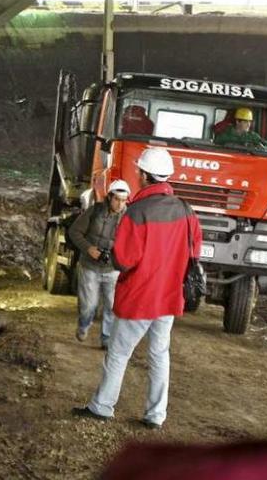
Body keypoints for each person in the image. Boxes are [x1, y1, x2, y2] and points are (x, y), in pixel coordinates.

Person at [73, 146, 202, 430]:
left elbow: (124, 259)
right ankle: (156, 414)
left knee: (118, 353)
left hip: (140, 297)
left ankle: (102, 407)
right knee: (159, 355)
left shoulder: (138, 212)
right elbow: (195, 251)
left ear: (144, 175)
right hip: (169, 297)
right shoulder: (185, 209)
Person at [68, 179, 131, 349]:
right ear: (109, 197)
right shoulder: (94, 211)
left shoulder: (129, 219)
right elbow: (74, 231)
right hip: (89, 267)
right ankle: (83, 325)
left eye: (123, 200)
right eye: (117, 199)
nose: (120, 204)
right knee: (89, 306)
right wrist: (88, 249)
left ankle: (106, 339)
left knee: (111, 306)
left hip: (113, 270)